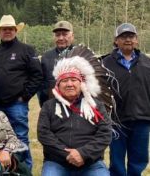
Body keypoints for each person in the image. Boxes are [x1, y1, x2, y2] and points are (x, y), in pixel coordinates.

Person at [38, 55, 112, 176]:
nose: (69, 84)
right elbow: (44, 134)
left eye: (73, 80)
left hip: (90, 162)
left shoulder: (96, 105)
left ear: (81, 84)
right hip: (57, 162)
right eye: (64, 81)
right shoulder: (48, 106)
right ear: (58, 85)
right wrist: (67, 154)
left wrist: (83, 153)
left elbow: (105, 133)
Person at [0, 14, 43, 170]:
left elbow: (37, 75)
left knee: (20, 138)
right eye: (4, 29)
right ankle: (2, 170)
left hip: (16, 104)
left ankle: (24, 170)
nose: (7, 31)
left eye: (10, 29)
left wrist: (25, 96)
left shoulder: (27, 50)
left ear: (15, 31)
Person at [103, 23, 150, 176]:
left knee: (139, 158)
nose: (127, 39)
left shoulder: (147, 62)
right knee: (116, 160)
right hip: (116, 121)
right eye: (123, 37)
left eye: (131, 36)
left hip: (142, 119)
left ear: (136, 40)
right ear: (116, 41)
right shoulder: (104, 64)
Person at [38, 20, 75, 107]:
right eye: (57, 35)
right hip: (53, 107)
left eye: (64, 34)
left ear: (72, 36)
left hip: (77, 107)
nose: (61, 38)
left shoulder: (81, 55)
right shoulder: (46, 57)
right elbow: (41, 84)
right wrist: (45, 104)